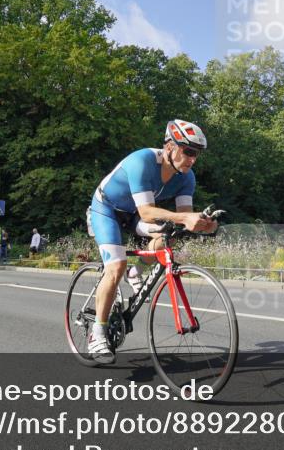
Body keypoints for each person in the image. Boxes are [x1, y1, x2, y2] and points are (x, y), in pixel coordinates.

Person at [86, 119, 217, 364]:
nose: (192, 159)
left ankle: (137, 273)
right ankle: (98, 332)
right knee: (115, 267)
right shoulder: (142, 161)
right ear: (169, 147)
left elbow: (183, 218)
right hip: (107, 210)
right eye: (188, 151)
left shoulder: (187, 177)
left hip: (133, 213)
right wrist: (185, 217)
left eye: (197, 154)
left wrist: (203, 224)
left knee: (169, 237)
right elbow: (147, 212)